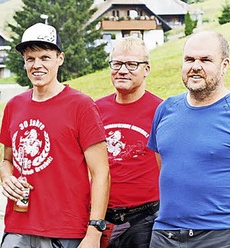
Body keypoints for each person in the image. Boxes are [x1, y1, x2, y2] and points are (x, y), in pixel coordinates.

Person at [0, 23, 110, 248]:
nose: (37, 65)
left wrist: (94, 232)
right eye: (30, 59)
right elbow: (7, 161)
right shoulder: (14, 106)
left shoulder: (81, 105)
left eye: (45, 57)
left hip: (65, 231)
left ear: (60, 58)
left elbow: (101, 173)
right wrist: (6, 177)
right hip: (17, 228)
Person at [148, 30, 230, 247]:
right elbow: (164, 164)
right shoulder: (166, 109)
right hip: (165, 235)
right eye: (189, 59)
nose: (195, 66)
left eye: (205, 60)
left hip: (219, 234)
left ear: (224, 65)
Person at [95, 37, 162, 248]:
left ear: (146, 69)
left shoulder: (161, 110)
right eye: (117, 63)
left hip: (144, 219)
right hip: (101, 219)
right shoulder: (95, 110)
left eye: (132, 64)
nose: (122, 70)